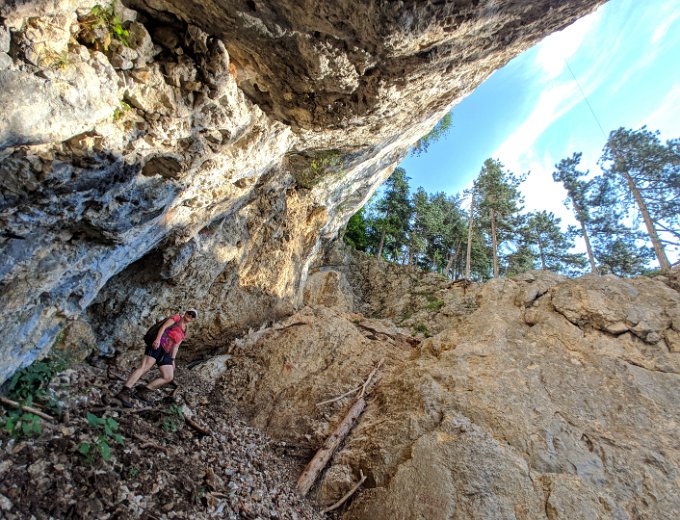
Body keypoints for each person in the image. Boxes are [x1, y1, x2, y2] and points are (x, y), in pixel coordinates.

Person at [115, 309, 198, 407]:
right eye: (189, 313)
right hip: (158, 345)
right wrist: (157, 339)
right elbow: (163, 327)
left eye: (193, 315)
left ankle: (143, 391)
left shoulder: (184, 331)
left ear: (193, 319)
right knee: (144, 367)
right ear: (186, 313)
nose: (190, 316)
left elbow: (176, 347)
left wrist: (172, 360)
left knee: (168, 376)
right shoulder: (177, 318)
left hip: (166, 352)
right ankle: (124, 392)